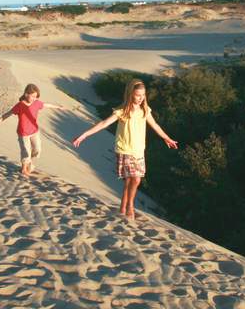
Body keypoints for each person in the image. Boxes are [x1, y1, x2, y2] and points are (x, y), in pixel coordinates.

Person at [72, 78, 178, 220]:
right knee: (134, 179)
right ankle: (130, 207)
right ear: (130, 94)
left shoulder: (145, 110)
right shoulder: (122, 111)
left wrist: (167, 138)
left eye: (143, 95)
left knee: (132, 181)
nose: (141, 98)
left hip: (139, 150)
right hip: (125, 149)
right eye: (137, 95)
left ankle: (123, 206)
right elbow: (104, 123)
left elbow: (155, 125)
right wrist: (85, 134)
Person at [0, 83, 67, 176]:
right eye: (33, 96)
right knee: (25, 151)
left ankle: (29, 162)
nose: (34, 98)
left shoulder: (37, 103)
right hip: (23, 133)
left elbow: (46, 105)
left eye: (36, 97)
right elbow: (7, 114)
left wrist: (58, 107)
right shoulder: (20, 105)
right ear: (26, 94)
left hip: (34, 131)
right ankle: (24, 169)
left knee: (37, 150)